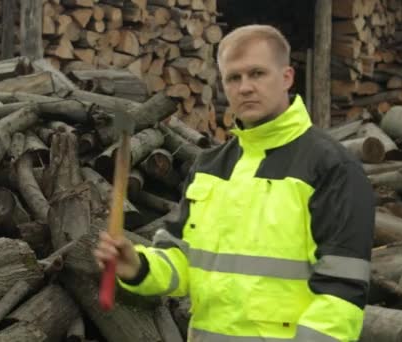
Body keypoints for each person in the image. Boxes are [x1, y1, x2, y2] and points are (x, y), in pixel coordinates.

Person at [94, 24, 374, 341]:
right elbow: (182, 258)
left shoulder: (332, 167)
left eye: (257, 73)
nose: (245, 87)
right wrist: (138, 265)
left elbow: (341, 292)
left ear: (287, 77)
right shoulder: (210, 166)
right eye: (233, 77)